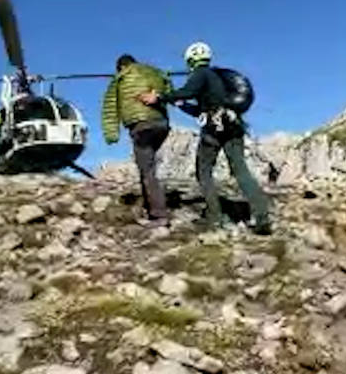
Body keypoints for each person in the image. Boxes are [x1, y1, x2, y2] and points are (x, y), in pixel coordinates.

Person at [139, 41, 272, 235]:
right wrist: (181, 104)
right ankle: (262, 217)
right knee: (240, 170)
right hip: (233, 126)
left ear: (190, 60)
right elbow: (198, 108)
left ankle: (215, 218)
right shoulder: (216, 81)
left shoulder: (201, 74)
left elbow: (187, 92)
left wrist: (160, 98)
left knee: (204, 172)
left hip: (213, 131)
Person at [102, 53, 172, 222]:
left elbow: (110, 108)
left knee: (146, 169)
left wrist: (111, 134)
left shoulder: (119, 78)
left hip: (141, 126)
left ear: (120, 67)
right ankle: (150, 205)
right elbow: (169, 91)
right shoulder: (156, 72)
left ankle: (158, 214)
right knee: (148, 164)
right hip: (161, 125)